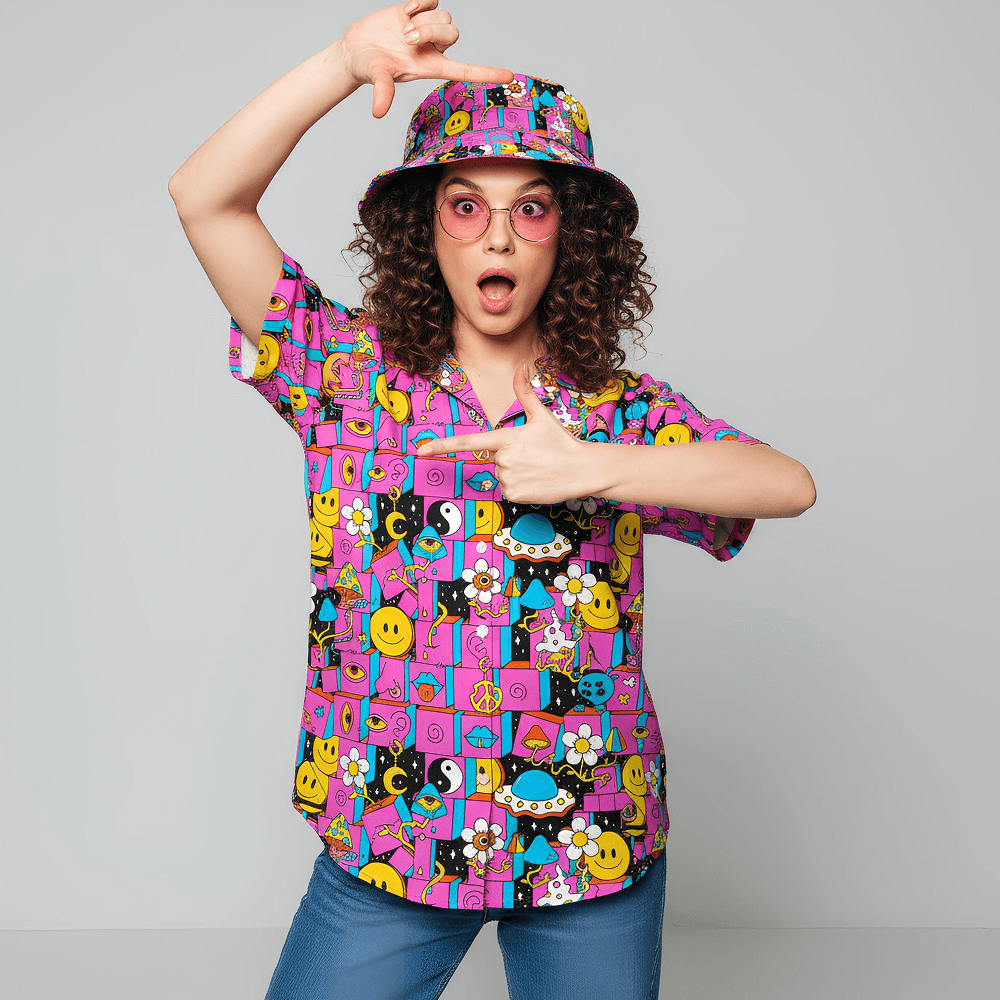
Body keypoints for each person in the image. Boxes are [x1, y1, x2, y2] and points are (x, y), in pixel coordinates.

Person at [169, 3, 816, 997]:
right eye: (465, 204)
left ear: (570, 234)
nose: (496, 234)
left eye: (531, 206)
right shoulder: (347, 377)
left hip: (592, 846)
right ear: (425, 227)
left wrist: (591, 467)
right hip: (391, 843)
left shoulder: (617, 411)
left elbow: (784, 483)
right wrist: (343, 64)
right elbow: (205, 198)